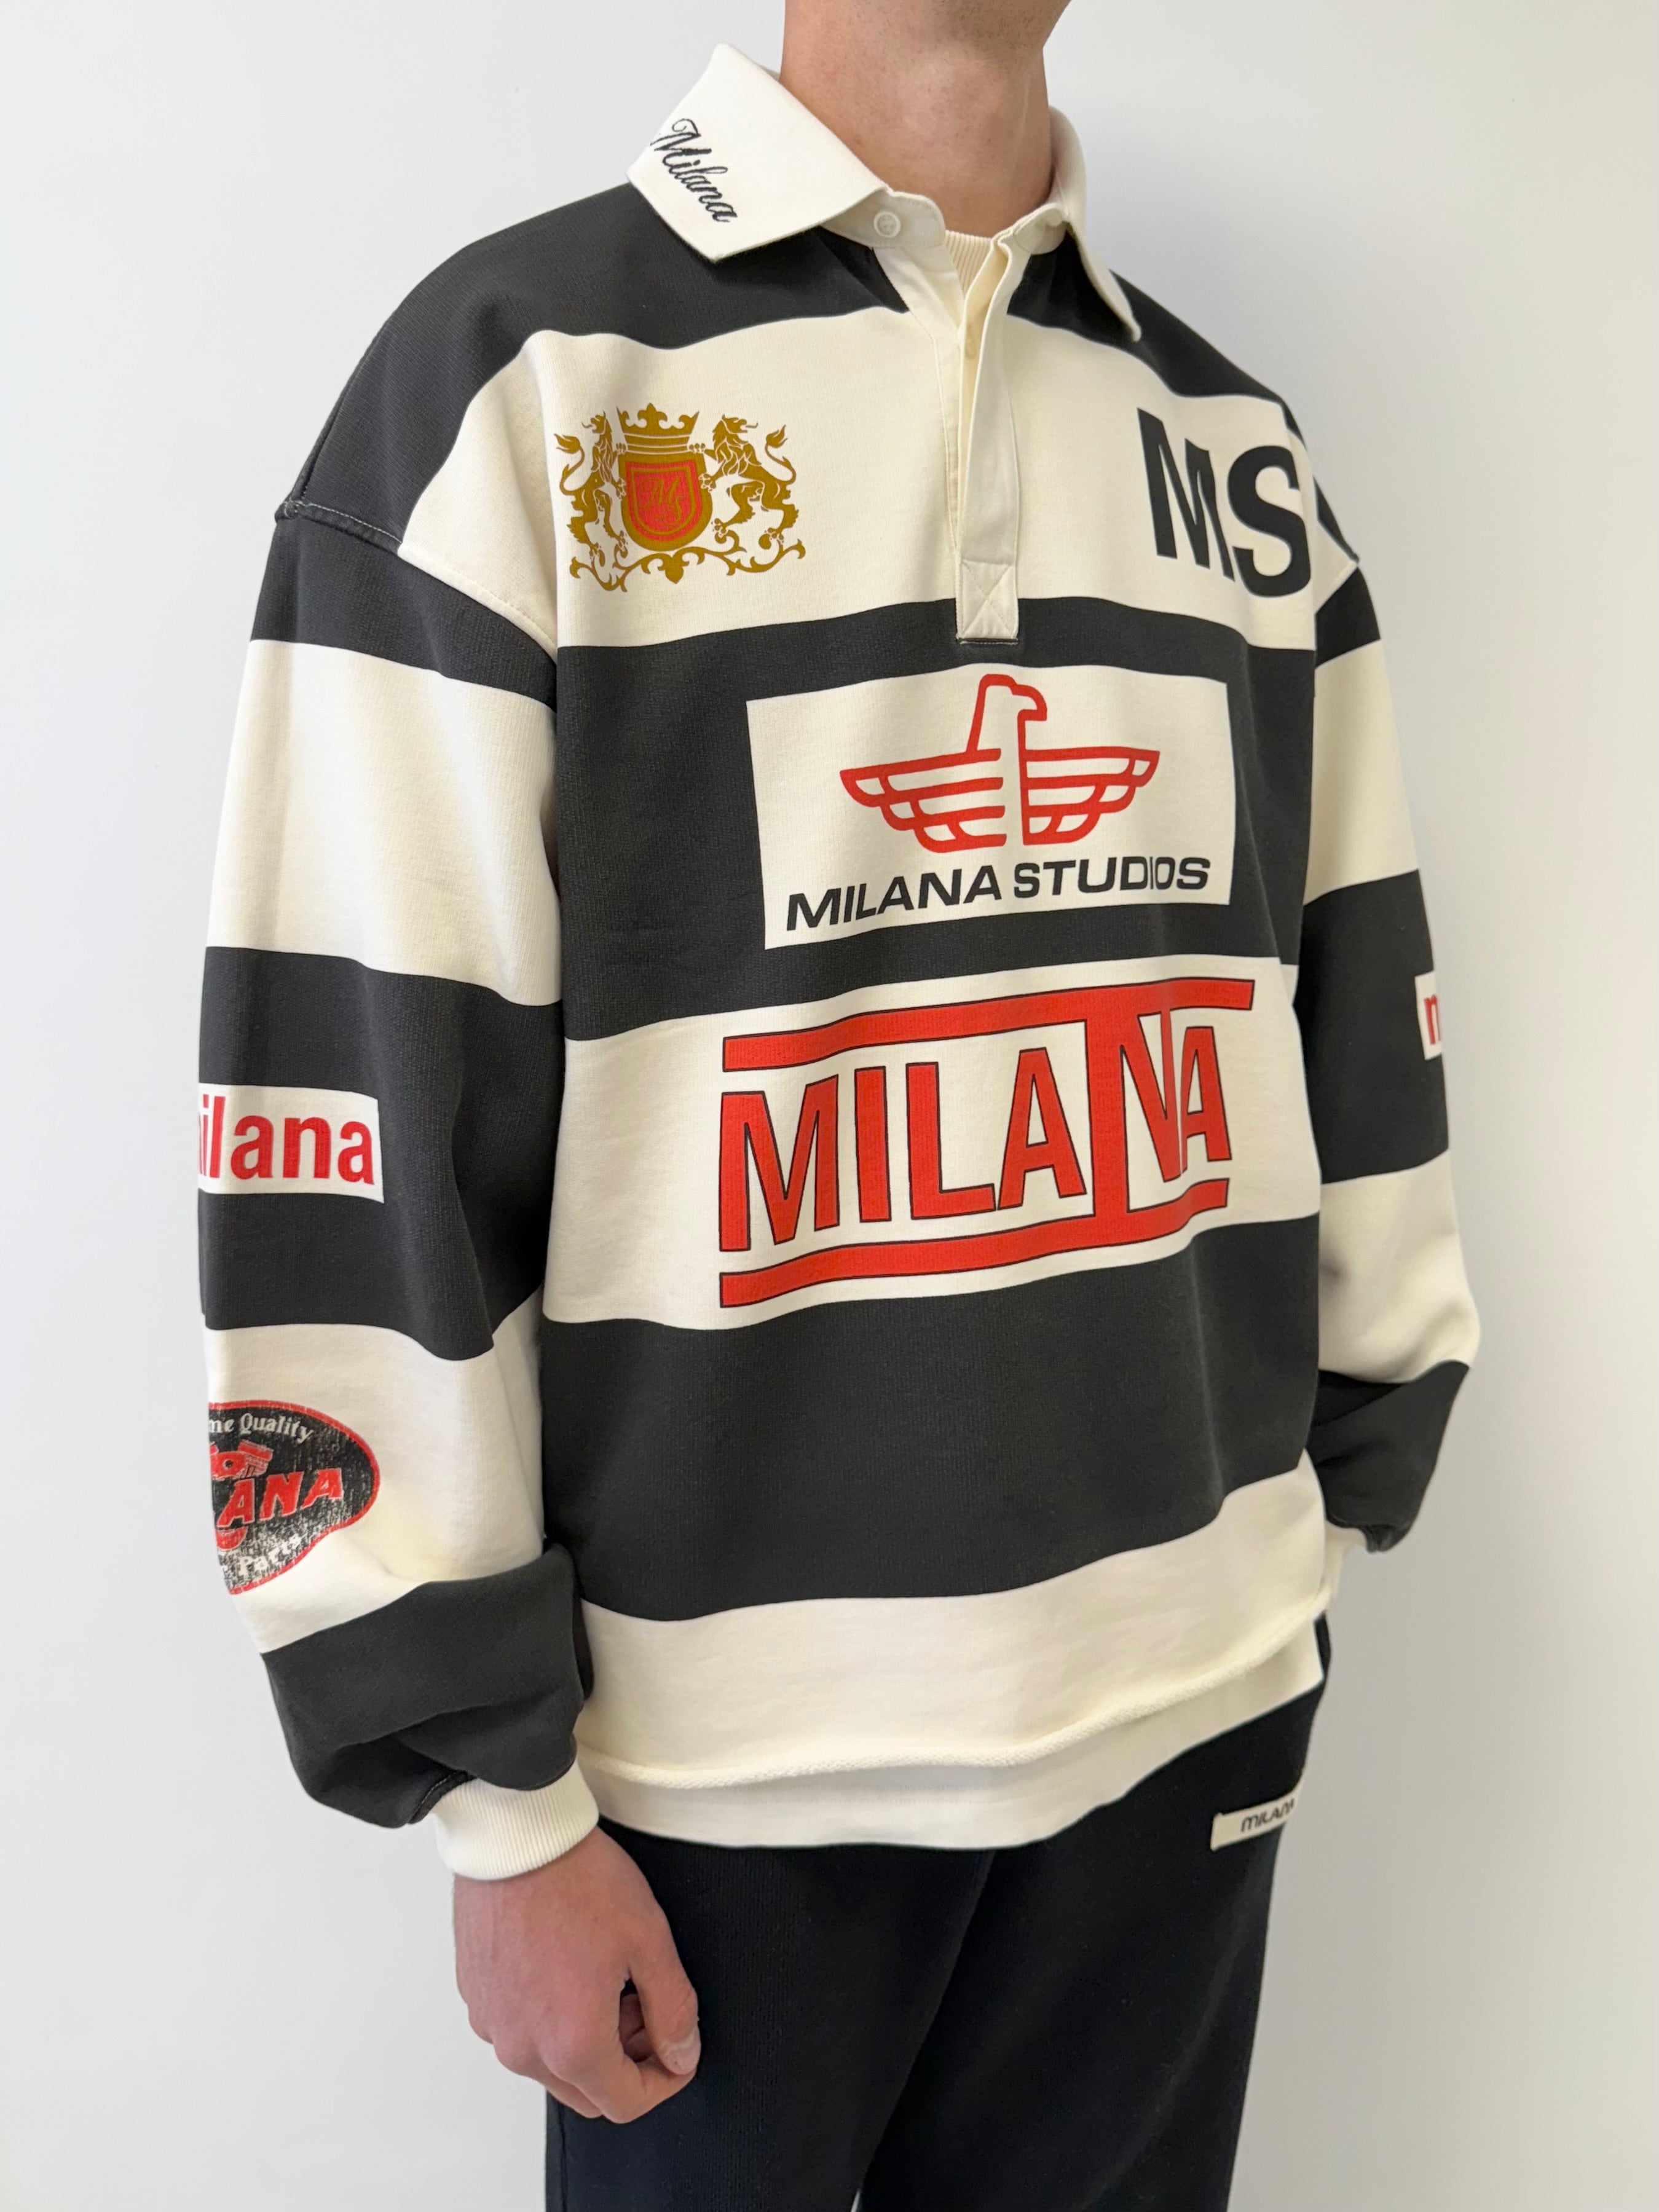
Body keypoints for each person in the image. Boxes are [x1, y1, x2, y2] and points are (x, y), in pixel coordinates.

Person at [199, 2, 1478, 2203]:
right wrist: (496, 1799)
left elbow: (1351, 991)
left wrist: (1342, 1485)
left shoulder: (1229, 444)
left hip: (1193, 1689)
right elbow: (364, 1094)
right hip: (706, 1782)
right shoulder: (519, 384)